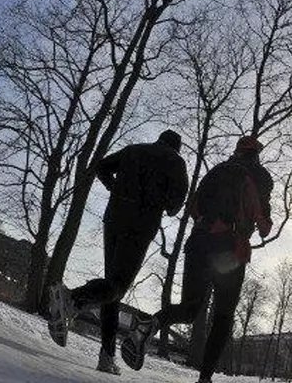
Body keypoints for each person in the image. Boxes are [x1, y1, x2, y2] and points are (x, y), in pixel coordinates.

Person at [120, 135, 273, 382]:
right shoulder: (260, 176)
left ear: (237, 151)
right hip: (230, 250)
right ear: (256, 155)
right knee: (223, 316)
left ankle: (151, 323)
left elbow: (193, 208)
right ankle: (204, 379)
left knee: (189, 309)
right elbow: (264, 226)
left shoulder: (215, 171)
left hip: (198, 242)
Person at [47, 129, 188, 375]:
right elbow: (175, 206)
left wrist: (115, 188)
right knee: (118, 286)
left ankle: (107, 356)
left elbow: (101, 166)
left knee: (111, 287)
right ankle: (72, 299)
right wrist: (161, 200)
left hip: (113, 219)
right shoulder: (176, 162)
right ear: (176, 147)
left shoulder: (134, 150)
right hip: (140, 226)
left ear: (159, 139)